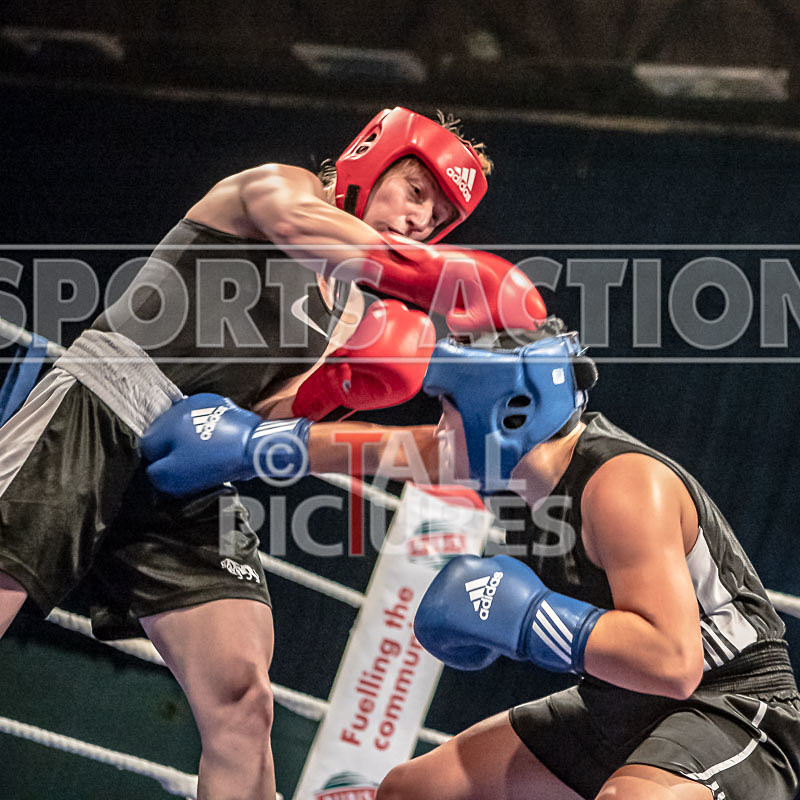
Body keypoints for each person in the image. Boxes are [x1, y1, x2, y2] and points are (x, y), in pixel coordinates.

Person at [0, 106, 546, 800]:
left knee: (243, 701)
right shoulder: (276, 191)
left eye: (435, 219)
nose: (417, 221)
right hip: (99, 409)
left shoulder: (351, 312)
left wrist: (334, 389)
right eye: (414, 190)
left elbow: (257, 423)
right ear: (371, 160)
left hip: (187, 467)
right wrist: (447, 278)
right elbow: (303, 229)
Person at [145, 320, 800, 800]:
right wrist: (257, 442)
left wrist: (528, 617)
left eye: (451, 406)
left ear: (506, 412)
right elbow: (379, 449)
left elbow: (673, 663)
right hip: (620, 703)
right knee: (408, 793)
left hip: (733, 708)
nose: (440, 423)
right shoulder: (511, 463)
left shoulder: (626, 486)